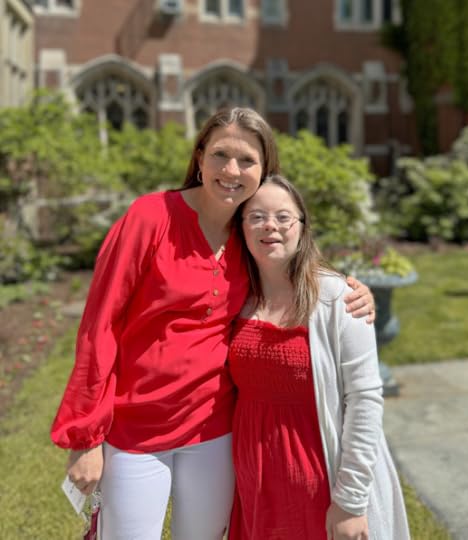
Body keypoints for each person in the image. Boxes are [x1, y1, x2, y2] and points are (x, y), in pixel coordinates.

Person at [50, 107, 376, 540]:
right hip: (136, 427)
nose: (231, 170)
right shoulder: (150, 218)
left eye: (247, 161)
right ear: (200, 156)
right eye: (221, 154)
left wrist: (352, 291)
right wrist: (86, 437)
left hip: (215, 429)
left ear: (263, 172)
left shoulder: (248, 232)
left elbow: (294, 269)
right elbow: (99, 326)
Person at [228, 174, 410, 540]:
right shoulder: (233, 297)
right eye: (257, 216)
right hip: (253, 477)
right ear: (241, 228)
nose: (271, 226)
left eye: (283, 217)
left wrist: (350, 501)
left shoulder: (337, 298)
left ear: (302, 226)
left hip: (321, 478)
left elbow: (365, 401)